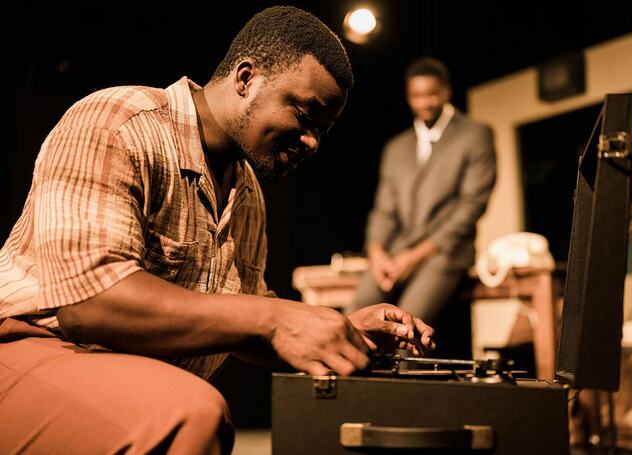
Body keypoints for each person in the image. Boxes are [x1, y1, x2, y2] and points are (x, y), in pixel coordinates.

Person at [0, 7, 435, 453]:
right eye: (305, 117)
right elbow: (88, 303)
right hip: (28, 348)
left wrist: (337, 329)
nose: (312, 143)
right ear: (246, 78)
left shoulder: (247, 192)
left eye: (323, 131)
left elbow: (246, 318)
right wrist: (276, 319)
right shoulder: (117, 121)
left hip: (128, 377)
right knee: (188, 416)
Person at [350, 57, 496, 358]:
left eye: (431, 94)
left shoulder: (475, 134)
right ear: (408, 97)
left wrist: (416, 256)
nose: (424, 102)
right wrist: (376, 252)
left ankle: (398, 400)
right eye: (416, 96)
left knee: (407, 326)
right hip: (396, 252)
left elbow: (471, 206)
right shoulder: (396, 148)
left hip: (445, 251)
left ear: (446, 93)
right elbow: (384, 210)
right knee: (357, 313)